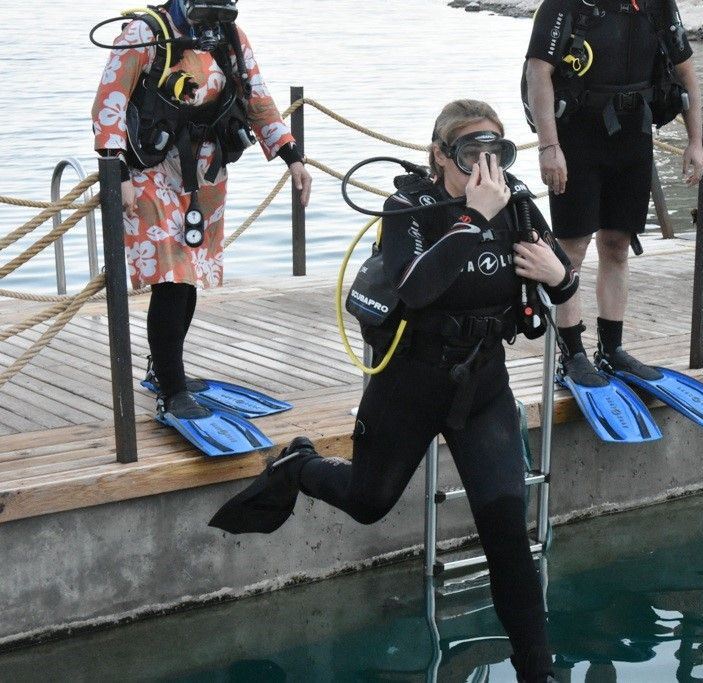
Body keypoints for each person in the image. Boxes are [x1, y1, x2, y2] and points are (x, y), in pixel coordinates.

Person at [209, 100, 580, 683]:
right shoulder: (409, 208)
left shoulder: (518, 207)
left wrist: (560, 276)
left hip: (483, 390)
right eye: (468, 155)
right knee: (368, 503)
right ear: (438, 156)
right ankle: (300, 465)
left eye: (498, 154)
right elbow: (418, 285)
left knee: (507, 533)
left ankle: (539, 671)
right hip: (408, 385)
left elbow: (564, 276)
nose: (485, 169)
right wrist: (472, 219)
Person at [91, 0, 311, 446]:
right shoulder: (144, 32)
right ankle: (172, 391)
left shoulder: (229, 36)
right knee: (170, 278)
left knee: (189, 278)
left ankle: (165, 368)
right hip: (149, 171)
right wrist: (117, 170)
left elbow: (258, 98)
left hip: (206, 173)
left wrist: (292, 157)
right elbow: (110, 100)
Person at [524, 0, 703, 388]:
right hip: (576, 137)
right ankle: (571, 355)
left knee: (617, 244)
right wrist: (548, 147)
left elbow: (685, 69)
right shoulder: (565, 5)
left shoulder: (657, 5)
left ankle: (612, 350)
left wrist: (696, 141)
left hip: (633, 135)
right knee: (571, 249)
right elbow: (538, 71)